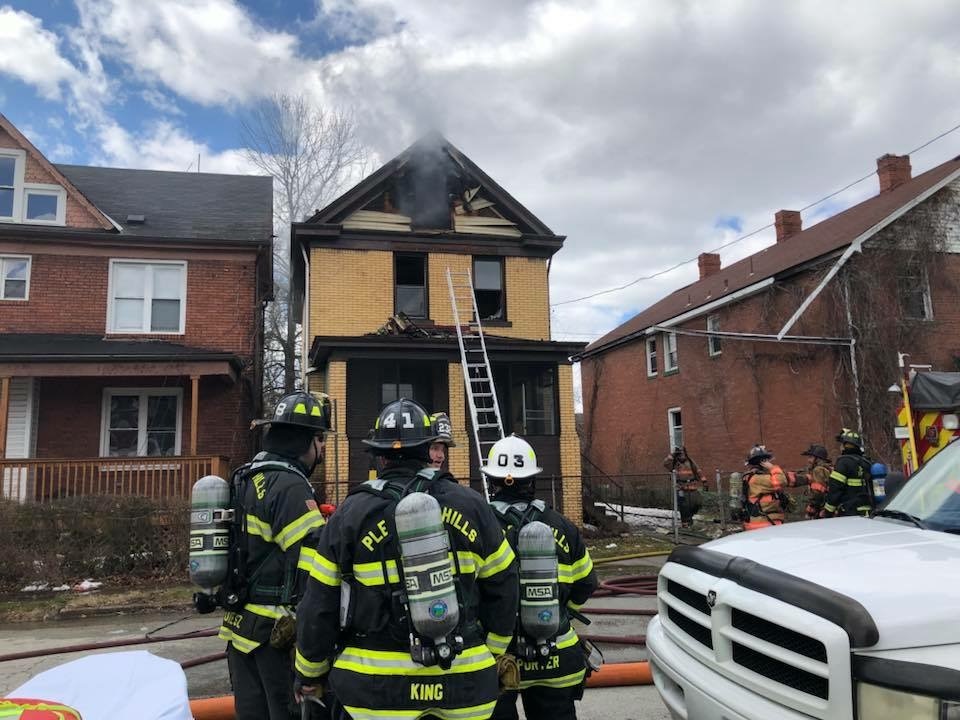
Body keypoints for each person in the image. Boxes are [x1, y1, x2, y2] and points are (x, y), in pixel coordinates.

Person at [294, 398, 519, 720]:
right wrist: (492, 654)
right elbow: (505, 587)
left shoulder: (351, 514)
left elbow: (318, 604)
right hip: (464, 688)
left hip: (374, 695)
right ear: (428, 449)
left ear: (379, 456)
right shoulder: (473, 506)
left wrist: (309, 673)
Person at [217, 391, 330, 720]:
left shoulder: (245, 477)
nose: (321, 450)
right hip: (276, 638)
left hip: (239, 631)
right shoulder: (289, 487)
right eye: (319, 440)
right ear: (304, 441)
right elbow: (315, 572)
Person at [485, 434, 599, 720]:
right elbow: (586, 582)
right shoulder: (562, 525)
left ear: (492, 481)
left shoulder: (481, 527)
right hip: (555, 654)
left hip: (499, 659)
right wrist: (559, 615)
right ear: (532, 481)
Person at [822, 428, 874, 518]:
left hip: (850, 512)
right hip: (868, 511)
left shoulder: (843, 462)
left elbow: (835, 488)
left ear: (844, 445)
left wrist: (828, 511)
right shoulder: (867, 463)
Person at [740, 445, 790, 530]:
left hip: (759, 523)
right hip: (765, 526)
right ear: (762, 463)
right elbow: (781, 481)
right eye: (766, 461)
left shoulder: (751, 477)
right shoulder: (758, 479)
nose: (769, 462)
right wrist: (772, 467)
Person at [663, 446, 707, 527]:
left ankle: (690, 518)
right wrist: (672, 455)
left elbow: (698, 471)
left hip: (692, 487)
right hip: (681, 488)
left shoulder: (690, 461)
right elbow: (665, 463)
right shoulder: (674, 463)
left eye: (683, 452)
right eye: (680, 452)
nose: (681, 454)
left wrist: (704, 481)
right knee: (684, 506)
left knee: (697, 504)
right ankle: (685, 523)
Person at [796, 444, 832, 519]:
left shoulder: (817, 470)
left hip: (821, 511)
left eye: (811, 457)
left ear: (818, 459)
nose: (808, 460)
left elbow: (817, 494)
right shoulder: (826, 469)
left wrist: (810, 512)